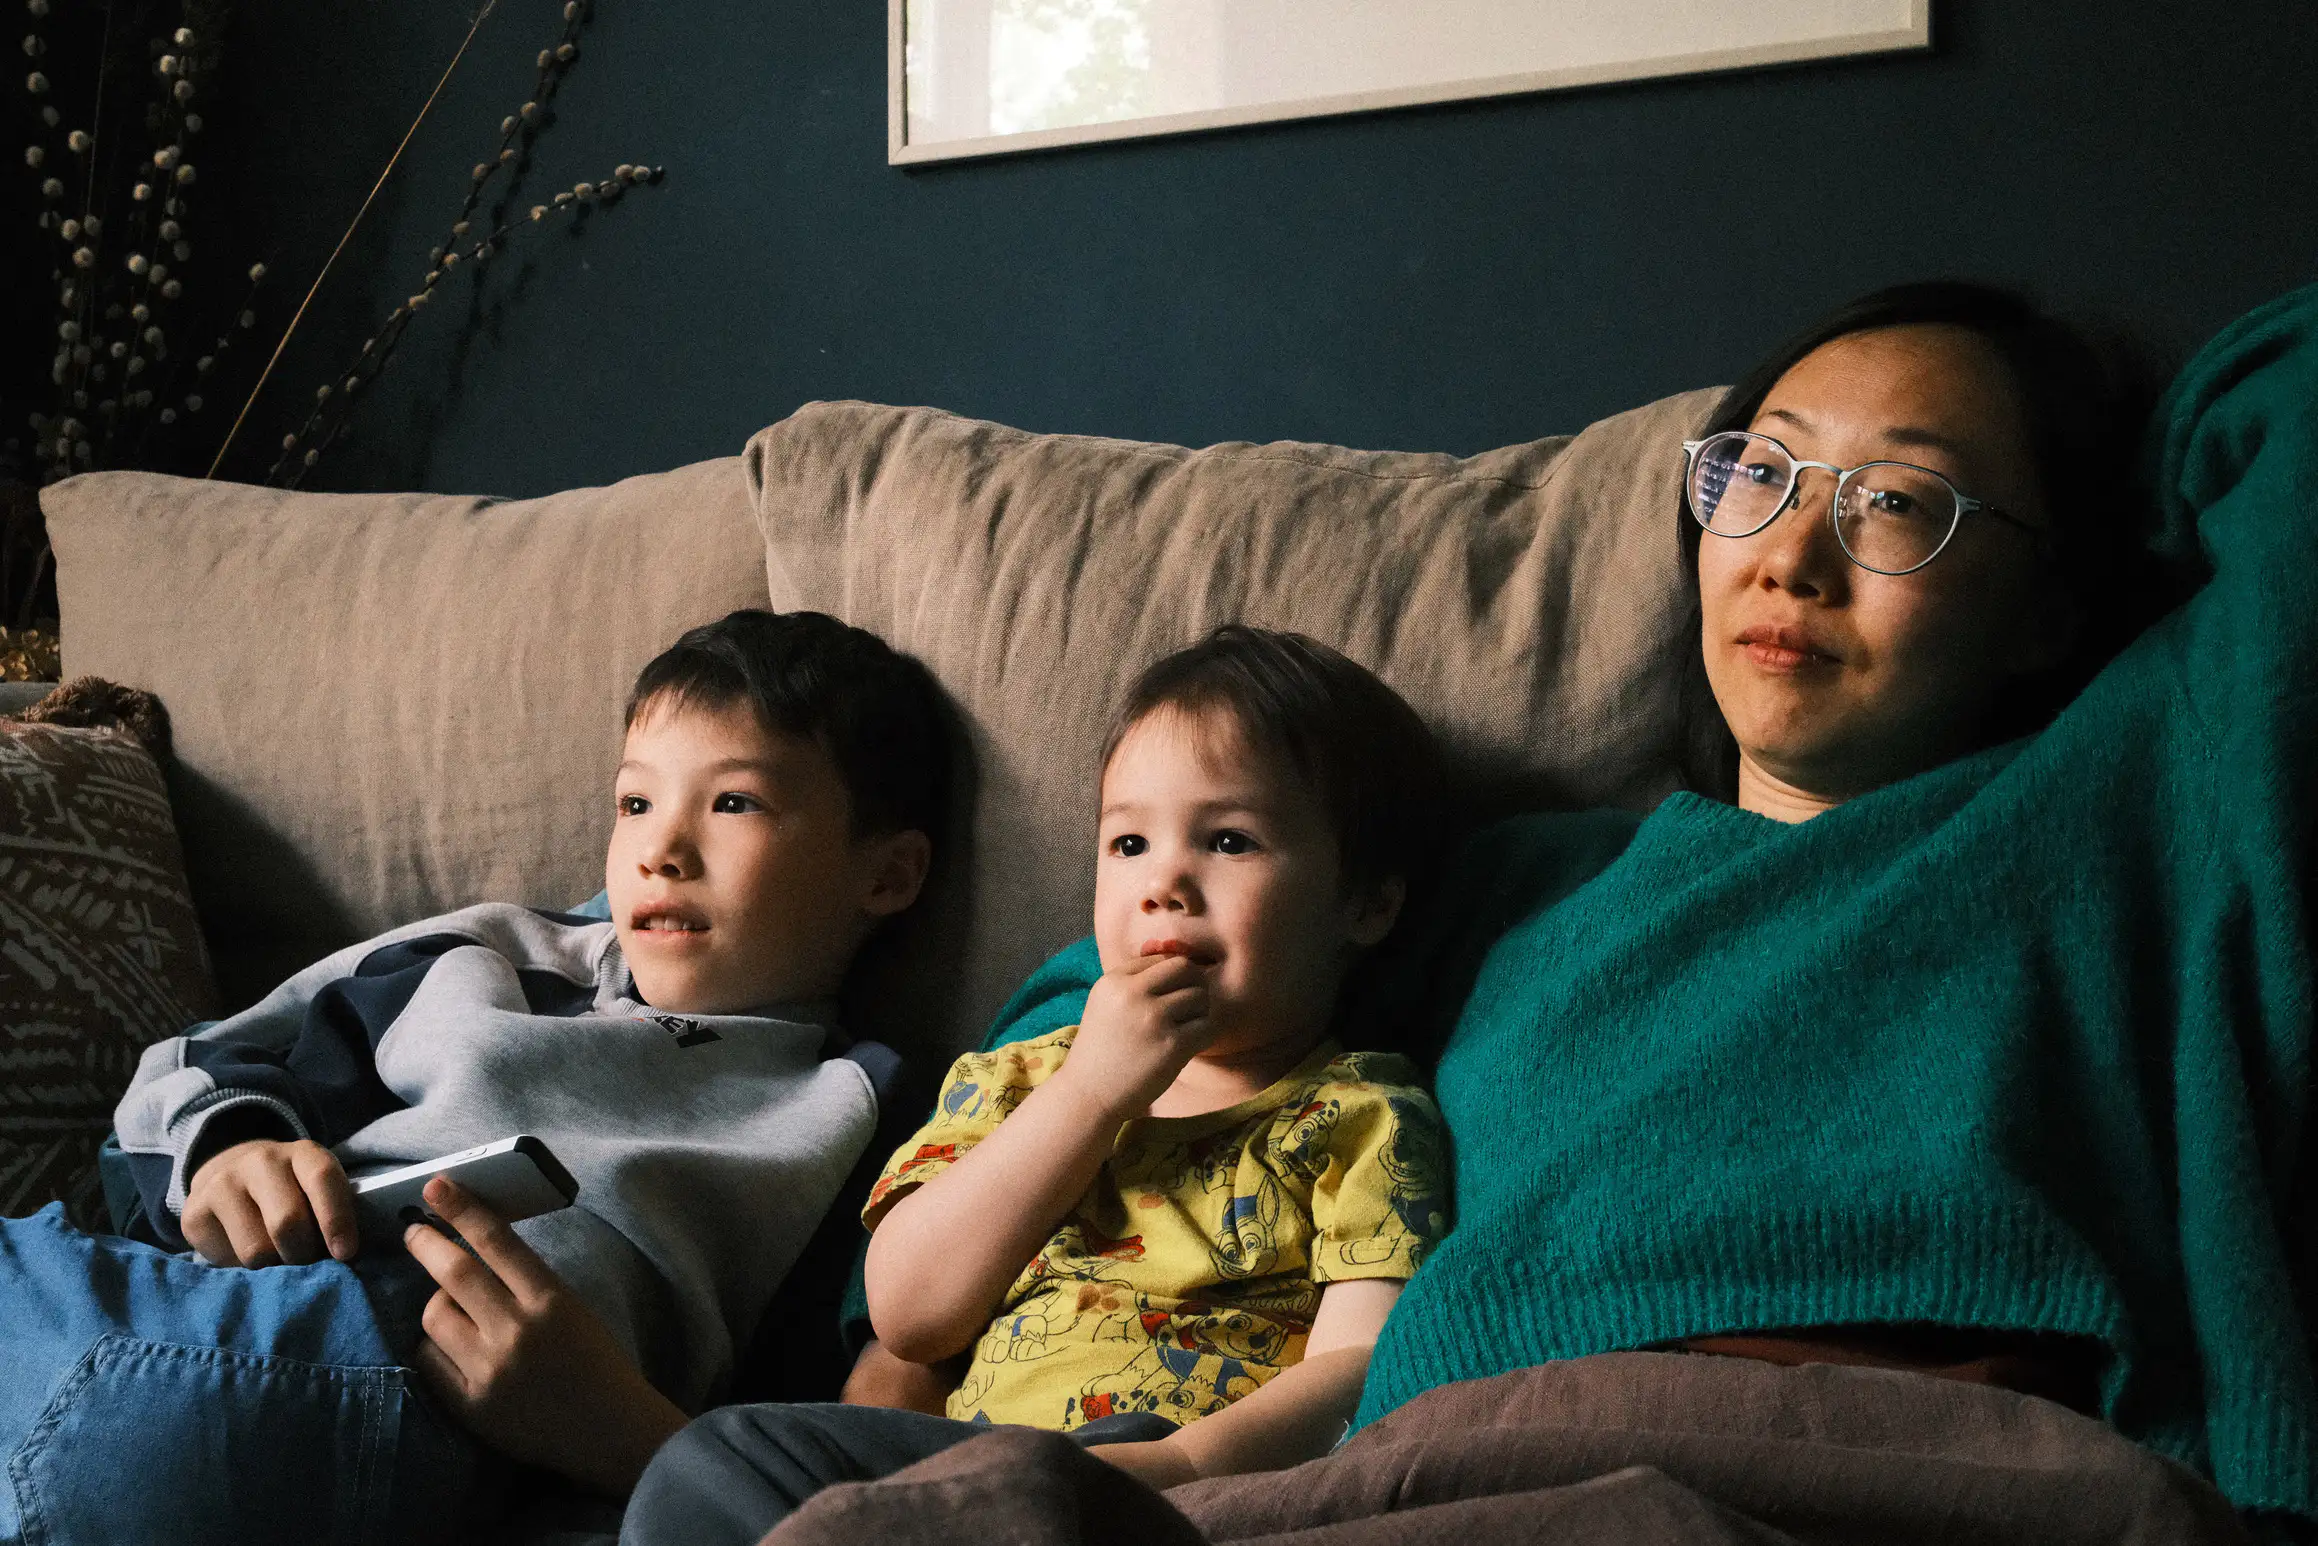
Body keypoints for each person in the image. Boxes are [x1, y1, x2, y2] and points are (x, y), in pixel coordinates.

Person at [741, 280, 2314, 1546]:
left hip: (1897, 1446)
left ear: (2045, 600)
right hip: (1443, 1457)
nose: (1795, 550)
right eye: (1758, 472)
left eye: (1901, 502)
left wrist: (2133, 498)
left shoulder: (2114, 801)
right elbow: (1132, 956)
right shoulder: (1528, 883)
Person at [0, 608, 952, 1545]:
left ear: (890, 874)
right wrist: (233, 1147)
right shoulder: (493, 954)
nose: (660, 849)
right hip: (221, 1278)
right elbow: (209, 1062)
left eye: (734, 802)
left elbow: (852, 1441)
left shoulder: (870, 1115)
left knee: (118, 1431)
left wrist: (627, 1436)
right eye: (635, 803)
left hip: (422, 1381)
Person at [613, 624, 1455, 1544]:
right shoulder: (1019, 1078)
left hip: (1168, 1472)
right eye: (1129, 843)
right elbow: (910, 1312)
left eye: (1228, 839)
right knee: (725, 1460)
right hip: (956, 1469)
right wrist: (1089, 1095)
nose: (1164, 881)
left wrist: (1188, 1466)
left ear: (1366, 901)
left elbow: (1360, 1362)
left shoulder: (1360, 1116)